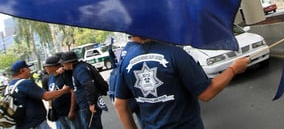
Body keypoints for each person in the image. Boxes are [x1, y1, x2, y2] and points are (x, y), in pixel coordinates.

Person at [114, 35, 250, 129]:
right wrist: (233, 69)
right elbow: (206, 93)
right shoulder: (175, 55)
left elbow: (119, 104)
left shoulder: (126, 62)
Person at [7, 60, 71, 129]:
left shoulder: (9, 86)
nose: (30, 70)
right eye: (28, 68)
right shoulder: (24, 83)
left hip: (21, 125)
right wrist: (64, 90)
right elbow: (47, 96)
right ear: (22, 70)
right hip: (35, 124)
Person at [59, 51, 105, 129]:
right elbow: (71, 84)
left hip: (87, 104)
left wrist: (91, 103)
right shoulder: (76, 69)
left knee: (92, 126)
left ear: (69, 63)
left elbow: (89, 85)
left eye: (63, 63)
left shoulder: (80, 70)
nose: (62, 65)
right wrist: (64, 72)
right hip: (84, 104)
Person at [44, 55, 80, 129]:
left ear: (54, 66)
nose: (45, 68)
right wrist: (51, 108)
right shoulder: (50, 77)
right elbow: (50, 93)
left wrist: (72, 110)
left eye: (47, 66)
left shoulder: (65, 75)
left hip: (69, 111)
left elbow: (73, 91)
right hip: (59, 113)